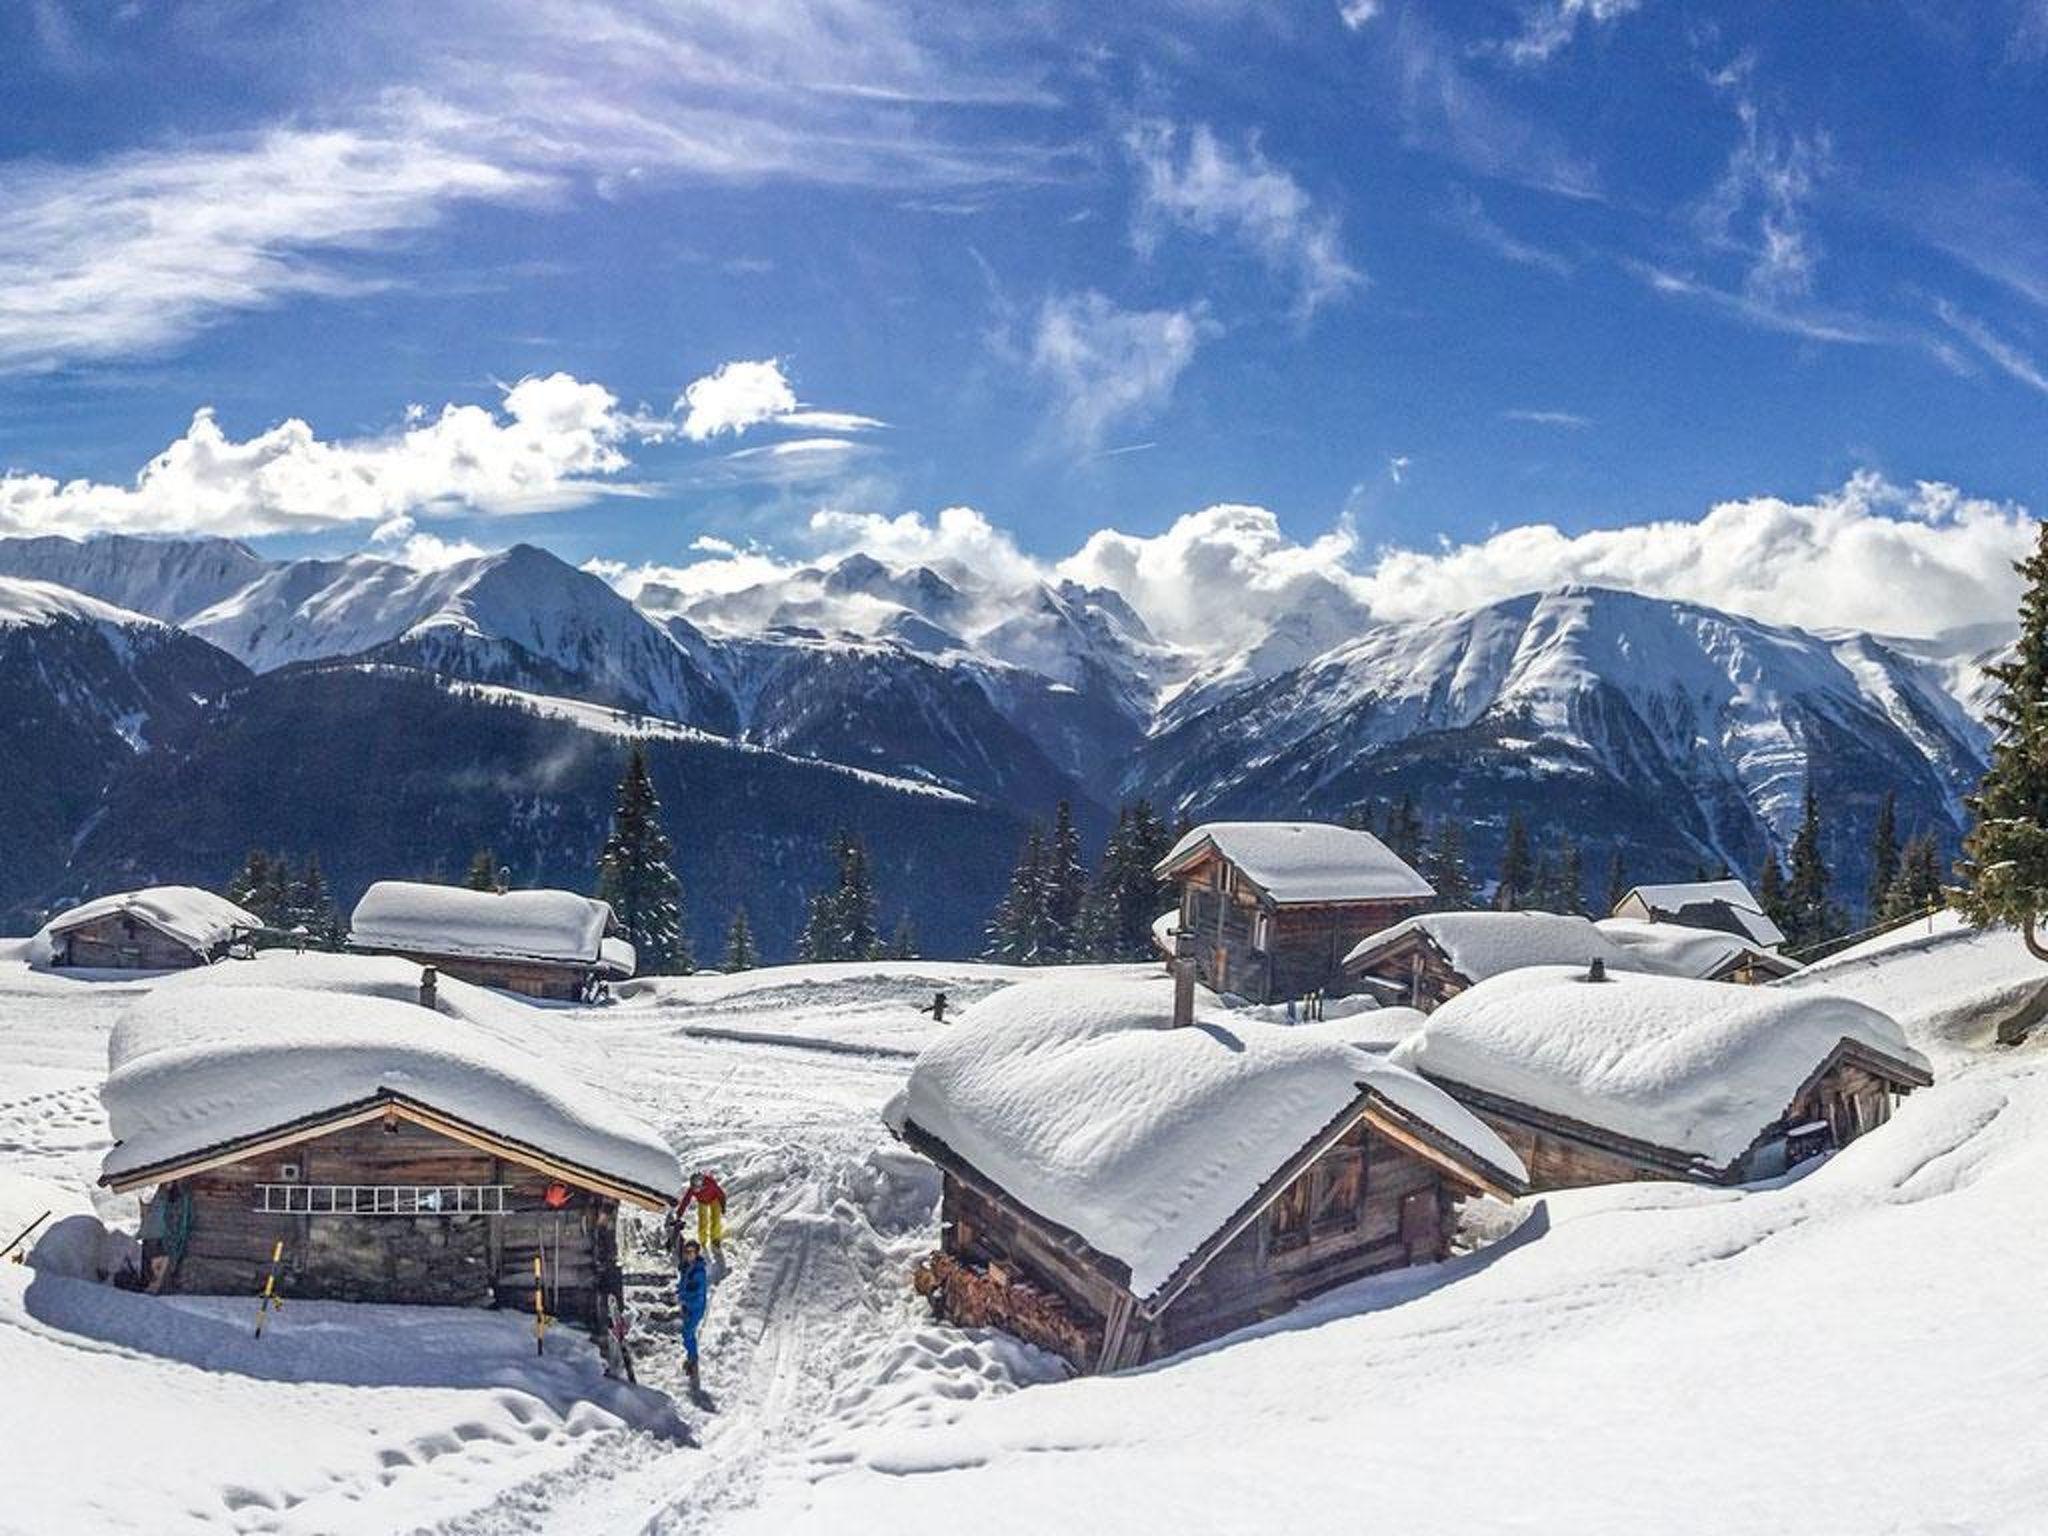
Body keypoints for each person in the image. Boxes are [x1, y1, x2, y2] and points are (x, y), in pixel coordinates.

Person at [140, 1180, 193, 1295]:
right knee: (154, 1259)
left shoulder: (177, 1198)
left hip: (164, 1234)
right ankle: (153, 1284)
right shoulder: (160, 1196)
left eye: (171, 1183)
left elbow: (182, 1217)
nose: (169, 1185)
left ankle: (156, 1285)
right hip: (155, 1233)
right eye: (167, 1183)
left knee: (162, 1259)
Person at [677, 1238, 710, 1390]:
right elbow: (683, 1285)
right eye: (686, 1252)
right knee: (687, 1334)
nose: (688, 1255)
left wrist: (683, 1299)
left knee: (688, 1334)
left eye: (691, 1252)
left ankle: (693, 1363)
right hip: (687, 1306)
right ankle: (691, 1358)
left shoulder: (698, 1272)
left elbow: (697, 1294)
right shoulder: (687, 1268)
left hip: (695, 1307)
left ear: (696, 1253)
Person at [679, 1169, 726, 1255]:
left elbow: (721, 1194)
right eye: (693, 1188)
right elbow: (686, 1200)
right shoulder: (692, 1189)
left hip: (714, 1199)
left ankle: (715, 1239)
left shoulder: (711, 1183)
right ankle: (703, 1241)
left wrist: (723, 1206)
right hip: (702, 1202)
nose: (695, 1190)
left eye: (696, 1188)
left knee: (715, 1218)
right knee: (703, 1221)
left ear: (701, 1184)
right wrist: (679, 1213)